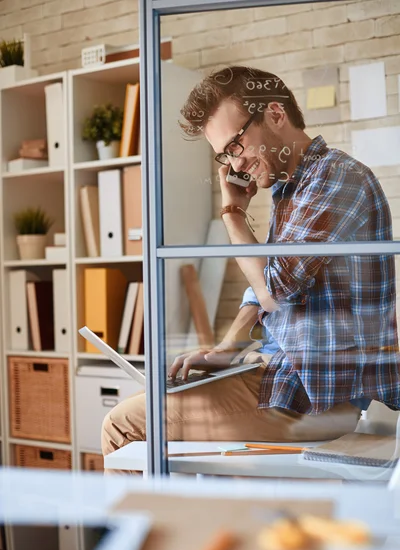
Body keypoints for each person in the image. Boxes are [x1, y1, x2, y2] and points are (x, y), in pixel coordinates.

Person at [102, 66, 400, 473]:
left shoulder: (335, 178)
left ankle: (145, 537)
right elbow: (262, 289)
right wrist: (226, 348)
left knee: (122, 425)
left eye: (236, 144)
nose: (235, 163)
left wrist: (233, 216)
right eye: (225, 155)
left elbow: (273, 290)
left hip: (314, 395)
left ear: (276, 115)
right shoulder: (294, 186)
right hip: (282, 377)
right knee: (151, 409)